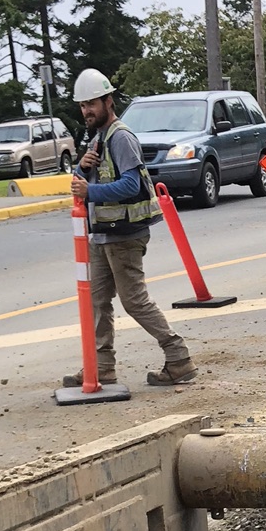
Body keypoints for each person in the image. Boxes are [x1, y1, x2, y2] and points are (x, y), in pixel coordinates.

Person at [64, 68, 195, 390]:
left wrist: (90, 192)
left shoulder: (121, 137)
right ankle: (101, 367)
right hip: (103, 233)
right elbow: (89, 181)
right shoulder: (98, 138)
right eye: (82, 106)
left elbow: (130, 185)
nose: (87, 111)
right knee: (97, 301)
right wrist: (80, 169)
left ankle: (178, 357)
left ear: (109, 101)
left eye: (92, 103)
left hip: (125, 236)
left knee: (134, 301)